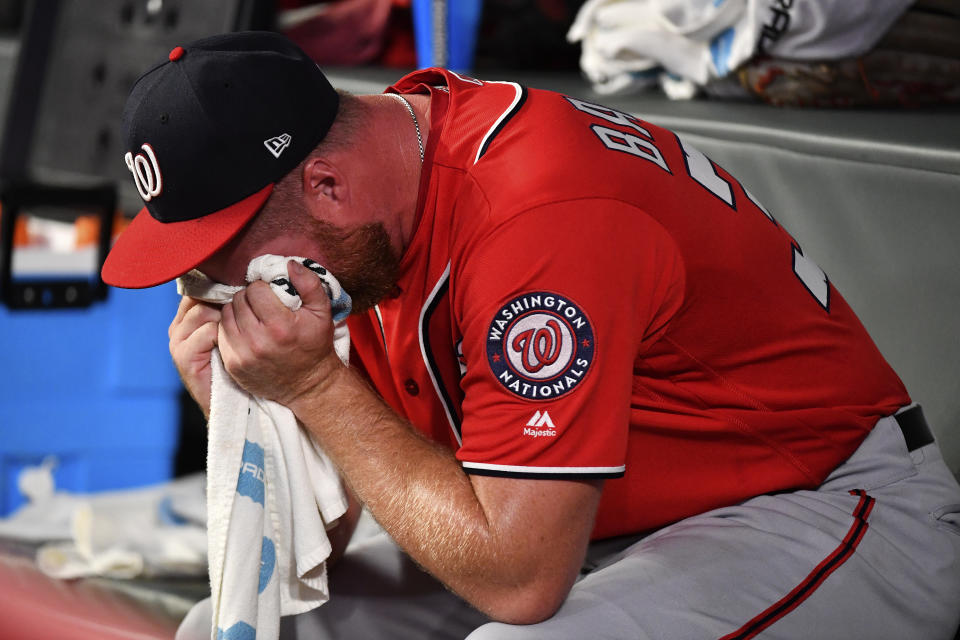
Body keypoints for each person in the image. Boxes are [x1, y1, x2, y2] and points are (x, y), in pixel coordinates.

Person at [102, 31, 960, 639]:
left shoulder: (535, 217)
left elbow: (518, 578)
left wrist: (319, 390)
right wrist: (242, 404)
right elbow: (313, 545)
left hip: (824, 509)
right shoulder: (373, 213)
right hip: (585, 527)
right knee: (226, 626)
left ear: (325, 185)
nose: (202, 286)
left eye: (222, 253)